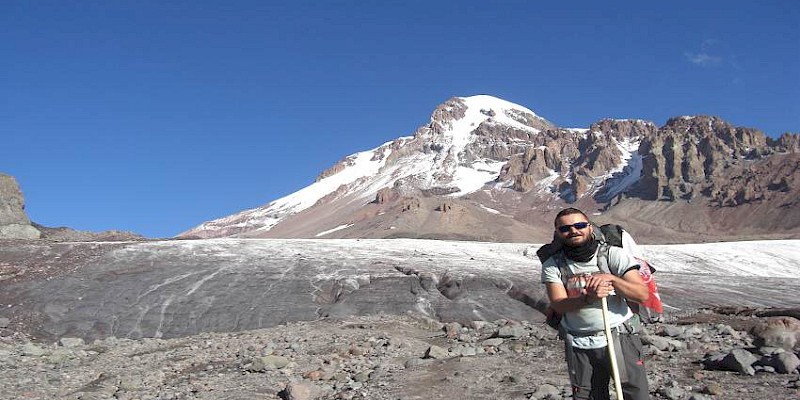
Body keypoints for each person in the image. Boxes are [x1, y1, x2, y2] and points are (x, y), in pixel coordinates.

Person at [540, 208, 650, 400]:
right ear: (558, 233)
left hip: (618, 336)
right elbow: (558, 304)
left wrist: (612, 280)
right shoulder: (552, 265)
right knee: (588, 395)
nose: (573, 230)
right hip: (579, 340)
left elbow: (641, 294)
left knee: (634, 393)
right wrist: (587, 298)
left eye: (580, 225)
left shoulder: (613, 255)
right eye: (565, 228)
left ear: (590, 228)